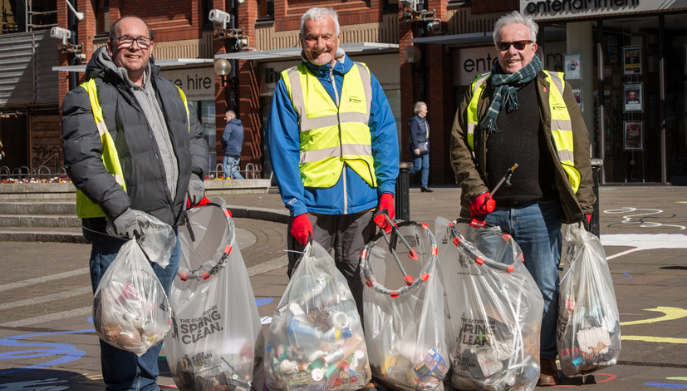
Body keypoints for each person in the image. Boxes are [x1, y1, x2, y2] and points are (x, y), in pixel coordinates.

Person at [61, 16, 208, 391]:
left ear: (153, 46)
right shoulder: (87, 94)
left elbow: (195, 136)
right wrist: (120, 209)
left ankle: (147, 385)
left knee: (153, 321)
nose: (135, 46)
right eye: (126, 40)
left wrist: (195, 175)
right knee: (120, 327)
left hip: (166, 232)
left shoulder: (170, 91)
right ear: (110, 47)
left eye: (142, 40)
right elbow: (82, 160)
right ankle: (125, 387)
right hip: (119, 234)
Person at [449, 11, 595, 387]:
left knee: (545, 288)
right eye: (503, 45)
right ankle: (505, 359)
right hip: (491, 213)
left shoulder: (554, 87)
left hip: (540, 209)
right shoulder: (480, 90)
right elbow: (459, 147)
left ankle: (543, 360)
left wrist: (586, 202)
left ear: (534, 46)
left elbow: (579, 147)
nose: (511, 51)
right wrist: (477, 192)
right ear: (496, 49)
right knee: (494, 294)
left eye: (518, 44)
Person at [266, 7, 398, 389]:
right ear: (301, 41)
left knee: (360, 286)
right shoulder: (289, 83)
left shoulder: (364, 77)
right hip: (313, 210)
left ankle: (355, 366)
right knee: (310, 294)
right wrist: (296, 207)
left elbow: (384, 135)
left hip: (361, 206)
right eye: (311, 37)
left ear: (339, 39)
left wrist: (386, 194)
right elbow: (284, 149)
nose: (319, 44)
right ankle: (315, 367)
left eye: (326, 37)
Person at [408, 101, 433, 193]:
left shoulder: (424, 120)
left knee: (426, 166)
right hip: (417, 147)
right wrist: (415, 147)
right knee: (417, 166)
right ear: (420, 110)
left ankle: (424, 185)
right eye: (425, 109)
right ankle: (402, 179)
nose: (427, 111)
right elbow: (413, 135)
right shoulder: (414, 121)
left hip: (425, 146)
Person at [221, 110, 245, 179]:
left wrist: (222, 142)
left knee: (227, 171)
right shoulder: (241, 126)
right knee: (234, 171)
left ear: (231, 116)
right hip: (237, 152)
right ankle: (243, 184)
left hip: (229, 152)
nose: (224, 118)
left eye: (226, 117)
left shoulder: (229, 126)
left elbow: (225, 138)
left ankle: (228, 187)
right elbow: (242, 138)